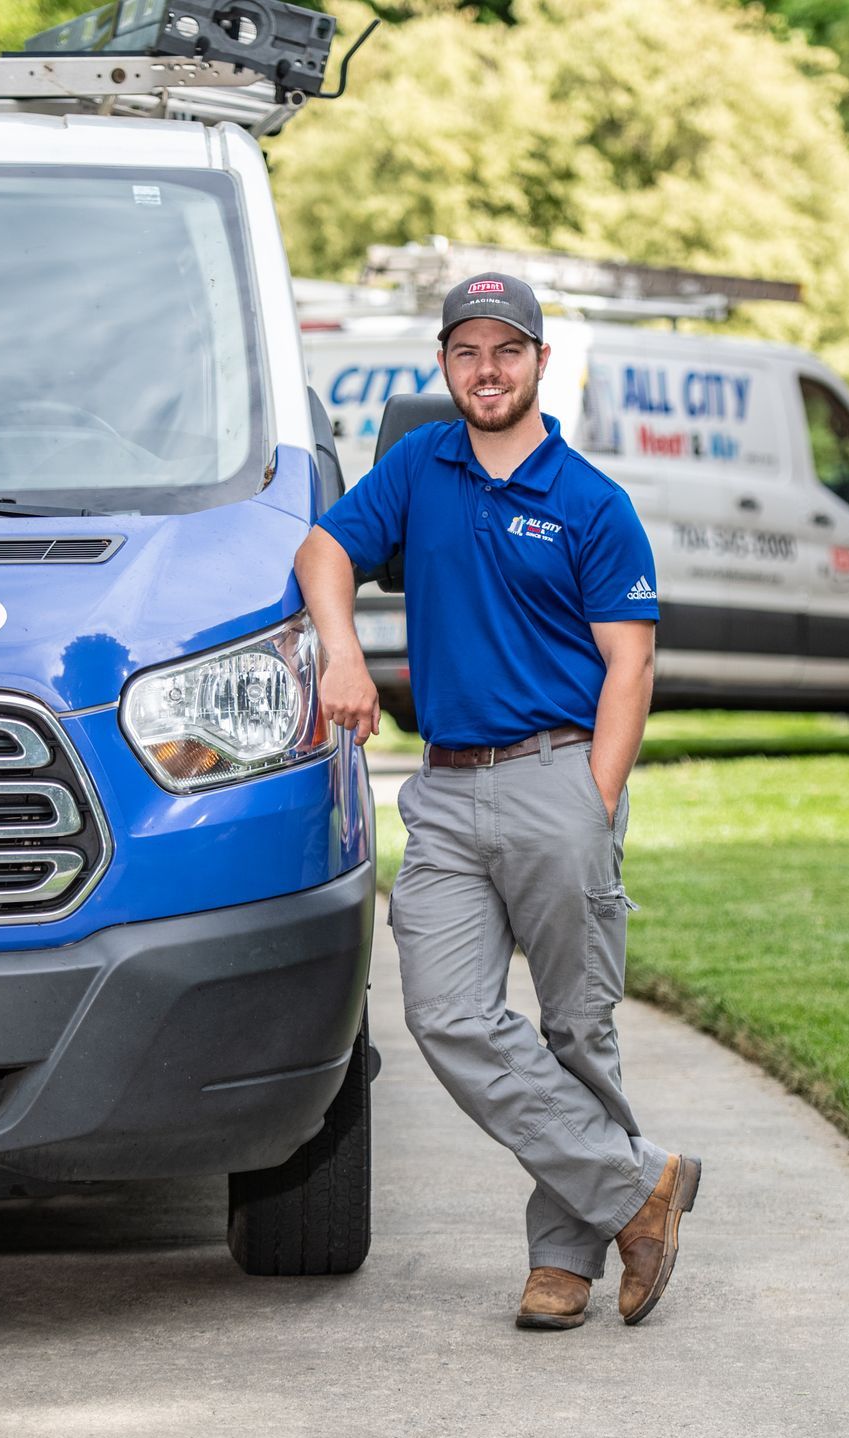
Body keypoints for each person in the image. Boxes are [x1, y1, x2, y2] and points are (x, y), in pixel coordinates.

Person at [294, 273, 700, 1331]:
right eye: (467, 351)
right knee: (444, 1012)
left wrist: (593, 799)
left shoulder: (592, 504)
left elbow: (631, 669)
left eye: (506, 350)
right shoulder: (418, 467)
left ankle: (562, 1259)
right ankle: (638, 1185)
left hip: (559, 774)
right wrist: (341, 649)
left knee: (576, 1023)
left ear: (537, 363)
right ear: (445, 365)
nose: (487, 369)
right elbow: (323, 549)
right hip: (446, 790)